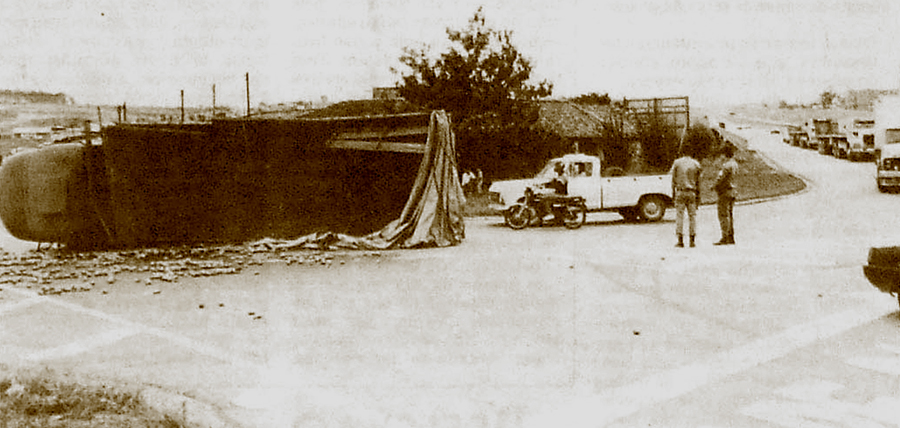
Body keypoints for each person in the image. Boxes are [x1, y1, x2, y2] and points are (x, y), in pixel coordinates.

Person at [670, 148, 701, 247]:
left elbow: (673, 179)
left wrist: (673, 193)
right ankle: (692, 240)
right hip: (692, 192)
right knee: (692, 216)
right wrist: (698, 196)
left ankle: (680, 240)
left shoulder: (677, 163)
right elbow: (698, 181)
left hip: (681, 191)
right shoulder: (696, 164)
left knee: (680, 215)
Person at [714, 145, 738, 245]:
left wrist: (714, 186)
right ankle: (731, 236)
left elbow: (721, 179)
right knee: (730, 214)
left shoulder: (726, 166)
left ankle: (725, 236)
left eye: (722, 154)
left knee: (723, 215)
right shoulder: (735, 164)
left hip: (725, 191)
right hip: (733, 191)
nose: (721, 157)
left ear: (725, 154)